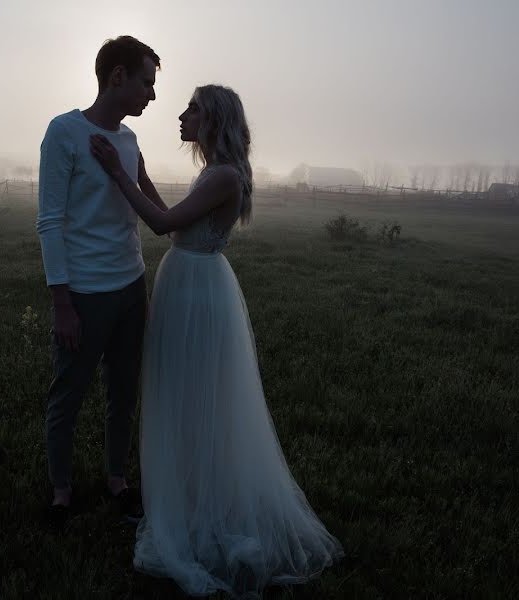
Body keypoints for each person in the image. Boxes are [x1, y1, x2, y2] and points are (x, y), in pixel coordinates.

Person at [89, 85, 343, 597]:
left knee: (194, 396)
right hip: (192, 279)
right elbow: (178, 222)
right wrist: (138, 175)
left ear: (214, 119)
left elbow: (160, 225)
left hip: (198, 290)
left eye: (193, 109)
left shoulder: (224, 175)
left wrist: (118, 174)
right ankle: (187, 495)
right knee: (186, 394)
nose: (181, 116)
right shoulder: (215, 174)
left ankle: (197, 508)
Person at [36, 35, 163, 526]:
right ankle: (62, 494)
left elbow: (148, 205)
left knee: (124, 391)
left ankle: (117, 482)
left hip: (131, 287)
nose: (151, 96)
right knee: (68, 393)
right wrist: (61, 302)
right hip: (84, 295)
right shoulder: (63, 133)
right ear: (117, 76)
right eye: (146, 83)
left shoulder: (129, 141)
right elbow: (50, 221)